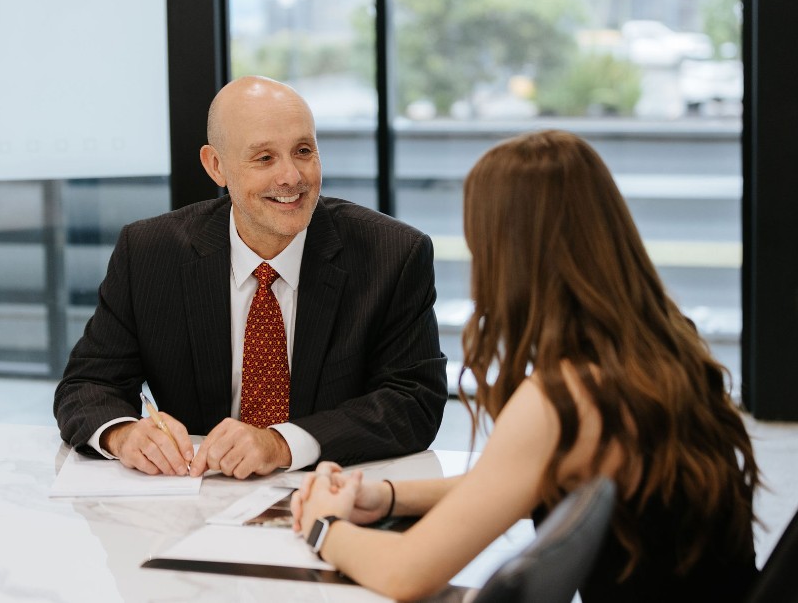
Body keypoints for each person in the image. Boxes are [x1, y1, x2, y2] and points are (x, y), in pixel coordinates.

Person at [291, 130, 760, 602]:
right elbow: (511, 477)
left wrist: (322, 525)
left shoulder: (566, 398)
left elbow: (405, 575)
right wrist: (388, 497)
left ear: (507, 254)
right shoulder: (658, 342)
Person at [54, 75, 448, 479]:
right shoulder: (150, 252)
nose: (292, 177)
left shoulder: (393, 254)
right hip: (193, 501)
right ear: (216, 166)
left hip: (331, 496)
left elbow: (414, 402)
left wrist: (280, 443)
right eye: (265, 158)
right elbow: (86, 385)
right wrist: (123, 434)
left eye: (303, 151)